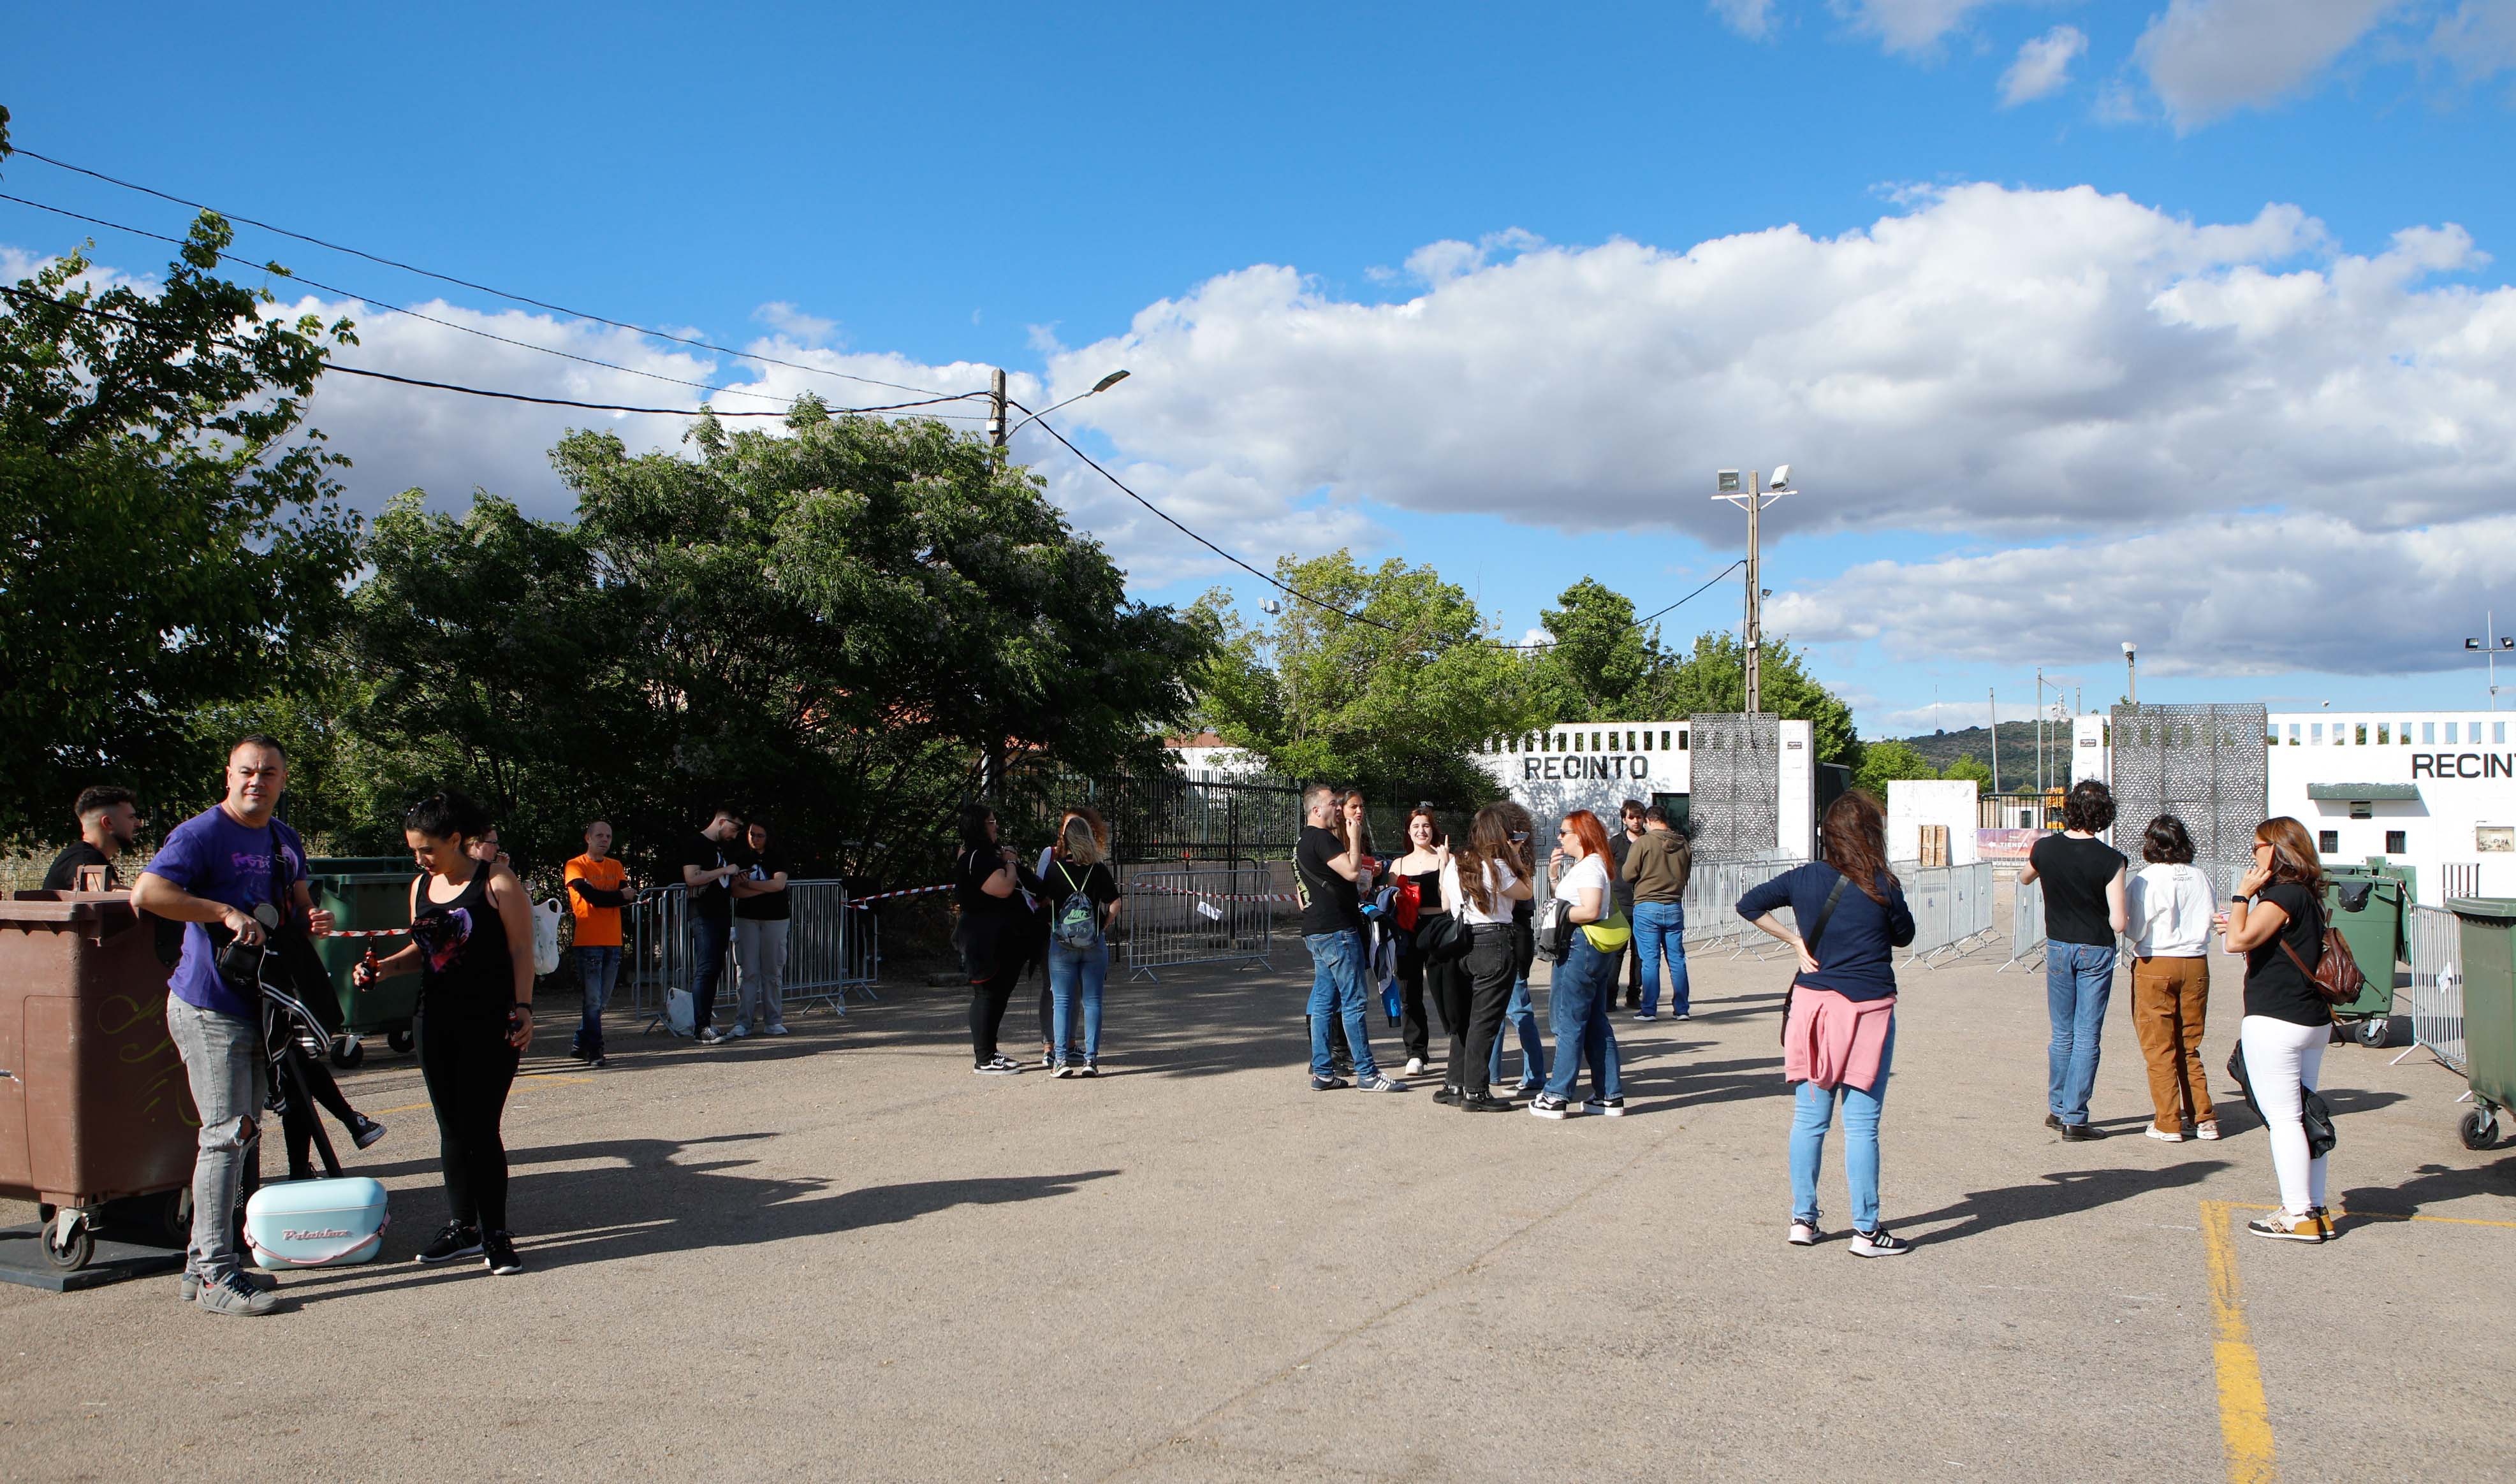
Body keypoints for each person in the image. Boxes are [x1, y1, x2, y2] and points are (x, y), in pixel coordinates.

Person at [132, 735, 338, 1315]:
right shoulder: (201, 834)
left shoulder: (284, 839)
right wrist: (221, 910)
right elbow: (149, 892)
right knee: (224, 1137)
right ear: (229, 775)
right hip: (209, 1005)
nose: (258, 781)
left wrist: (311, 918)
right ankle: (219, 1275)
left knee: (242, 1135)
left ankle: (202, 1267)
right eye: (248, 771)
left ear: (282, 779)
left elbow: (297, 906)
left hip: (262, 1007)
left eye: (269, 772)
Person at [355, 791, 537, 1276]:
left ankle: (496, 1234)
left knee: (482, 1127)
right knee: (452, 1129)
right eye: (414, 849)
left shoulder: (497, 882)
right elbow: (425, 949)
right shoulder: (419, 887)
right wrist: (382, 971)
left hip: (492, 1021)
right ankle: (463, 1228)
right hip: (433, 1020)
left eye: (427, 849)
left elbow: (522, 949)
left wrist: (523, 1008)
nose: (419, 858)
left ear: (456, 840)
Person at [1739, 790, 1919, 1256]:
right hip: (1868, 1009)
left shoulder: (1804, 878)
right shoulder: (1882, 884)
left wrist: (1794, 941)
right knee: (1862, 1125)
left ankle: (1803, 1219)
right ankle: (1866, 1230)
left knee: (1810, 1118)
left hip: (1814, 1007)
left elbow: (1749, 903)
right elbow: (1905, 936)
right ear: (1870, 834)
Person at [2220, 817, 2340, 1242]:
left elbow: (2237, 941)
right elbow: (2249, 937)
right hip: (2311, 1020)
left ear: (2276, 850)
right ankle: (2315, 1206)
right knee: (2307, 1115)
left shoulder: (2281, 895)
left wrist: (2242, 894)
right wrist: (2241, 919)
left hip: (2276, 1019)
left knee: (2285, 1119)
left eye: (2257, 847)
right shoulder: (2305, 894)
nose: (2252, 854)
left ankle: (2297, 1213)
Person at [2020, 779, 2128, 1140]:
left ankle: (2058, 1106)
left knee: (2062, 1031)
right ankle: (2075, 1116)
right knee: (2087, 1034)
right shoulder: (2111, 859)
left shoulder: (2045, 849)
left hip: (2058, 946)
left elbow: (2024, 878)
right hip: (2096, 947)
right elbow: (2119, 922)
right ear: (2104, 814)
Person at [1295, 784, 1405, 1093]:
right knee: (1354, 1001)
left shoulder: (1302, 842)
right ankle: (1367, 1072)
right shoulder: (1322, 838)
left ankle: (1323, 1072)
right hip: (1336, 932)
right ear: (1317, 810)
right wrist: (1354, 838)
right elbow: (1353, 872)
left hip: (1317, 930)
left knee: (1323, 1003)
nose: (1338, 808)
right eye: (1333, 803)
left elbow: (1302, 896)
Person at [2125, 814, 2219, 1143]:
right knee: (2189, 1043)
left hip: (2157, 961)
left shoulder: (2146, 879)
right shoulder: (2200, 876)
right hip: (2195, 962)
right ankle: (2203, 1117)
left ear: (2151, 844)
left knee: (2159, 1046)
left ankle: (2168, 1121)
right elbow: (2210, 918)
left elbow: (2135, 929)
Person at [1530, 809, 1625, 1119]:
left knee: (1567, 1020)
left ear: (1581, 835)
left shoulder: (1591, 866)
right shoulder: (1589, 865)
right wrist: (1555, 880)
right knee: (1595, 1021)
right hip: (1588, 947)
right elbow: (1575, 899)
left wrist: (1556, 913)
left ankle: (1557, 1094)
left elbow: (1591, 909)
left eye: (1564, 832)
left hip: (1580, 946)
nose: (1559, 837)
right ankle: (1608, 1095)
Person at [1443, 803, 1530, 1111]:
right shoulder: (1499, 867)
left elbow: (1446, 903)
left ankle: (1455, 1083)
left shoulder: (1455, 865)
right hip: (1494, 940)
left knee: (1464, 1017)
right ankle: (1476, 1091)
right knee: (1485, 1020)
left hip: (1462, 941)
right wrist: (1516, 855)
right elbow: (1526, 892)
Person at [1042, 808, 1121, 1077]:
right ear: (1089, 837)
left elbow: (1045, 903)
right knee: (1093, 1001)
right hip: (1093, 944)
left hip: (1062, 945)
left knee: (1062, 1001)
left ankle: (1061, 1060)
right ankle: (1091, 1060)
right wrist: (1101, 926)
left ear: (1065, 839)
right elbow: (1115, 903)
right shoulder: (1098, 871)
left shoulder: (1054, 870)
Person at [955, 803, 1034, 1074]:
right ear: (979, 825)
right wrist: (1011, 862)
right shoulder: (977, 857)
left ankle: (990, 1049)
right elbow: (1003, 887)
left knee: (998, 995)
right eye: (991, 821)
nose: (996, 825)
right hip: (984, 938)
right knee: (987, 995)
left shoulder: (982, 854)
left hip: (1000, 936)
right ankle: (984, 1057)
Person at [1389, 807, 1458, 1079]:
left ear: (1434, 830)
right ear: (1409, 831)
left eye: (1426, 826)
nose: (1421, 831)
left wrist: (1444, 866)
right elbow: (1390, 901)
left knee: (1448, 990)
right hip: (1408, 929)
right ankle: (1416, 1053)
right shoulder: (1399, 865)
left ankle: (1459, 1046)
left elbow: (1450, 900)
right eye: (1416, 826)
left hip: (1439, 926)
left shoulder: (1447, 859)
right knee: (1409, 992)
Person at [1488, 803, 1547, 1095]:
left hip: (1516, 934)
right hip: (1503, 935)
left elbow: (1524, 897)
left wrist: (1513, 854)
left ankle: (1535, 1074)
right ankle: (1490, 1073)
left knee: (1518, 1008)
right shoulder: (1496, 859)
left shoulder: (1515, 858)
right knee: (1495, 1010)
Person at [564, 820, 632, 1066]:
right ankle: (595, 1048)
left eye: (609, 836)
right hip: (589, 940)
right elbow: (592, 897)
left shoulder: (616, 866)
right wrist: (616, 897)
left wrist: (614, 897)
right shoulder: (575, 865)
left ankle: (581, 1041)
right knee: (593, 1000)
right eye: (600, 835)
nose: (605, 839)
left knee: (601, 1001)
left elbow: (627, 895)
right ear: (588, 838)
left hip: (612, 940)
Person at [675, 808, 745, 1045]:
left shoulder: (719, 848)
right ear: (722, 821)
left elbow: (719, 879)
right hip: (704, 914)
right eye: (734, 829)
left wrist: (735, 877)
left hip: (721, 913)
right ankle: (701, 1026)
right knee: (706, 968)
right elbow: (692, 878)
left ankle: (706, 1023)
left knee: (714, 968)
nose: (734, 835)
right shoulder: (696, 843)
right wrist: (725, 870)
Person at [1626, 806, 1693, 1021]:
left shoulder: (1643, 843)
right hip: (1673, 905)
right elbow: (1686, 875)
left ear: (1649, 820)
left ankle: (1649, 1010)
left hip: (1647, 905)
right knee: (1677, 959)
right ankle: (1682, 1009)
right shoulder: (1683, 844)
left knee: (1650, 960)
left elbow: (1628, 874)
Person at [731, 820, 792, 1038]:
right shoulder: (740, 857)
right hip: (747, 918)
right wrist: (763, 889)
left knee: (773, 970)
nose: (754, 839)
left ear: (768, 837)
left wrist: (749, 885)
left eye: (759, 835)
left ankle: (774, 1020)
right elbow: (735, 891)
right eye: (751, 834)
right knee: (747, 971)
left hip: (775, 919)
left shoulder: (779, 856)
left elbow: (778, 885)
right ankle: (743, 1022)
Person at [42, 785, 144, 891]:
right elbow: (105, 890)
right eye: (131, 817)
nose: (138, 824)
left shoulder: (90, 856)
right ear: (108, 823)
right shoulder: (82, 858)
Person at [1609, 800, 1647, 1008]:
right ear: (1624, 819)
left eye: (1639, 817)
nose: (1636, 821)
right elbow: (1605, 868)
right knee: (1616, 953)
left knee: (1640, 953)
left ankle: (1634, 996)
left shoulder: (1649, 841)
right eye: (1631, 817)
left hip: (1643, 903)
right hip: (1620, 904)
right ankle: (1609, 996)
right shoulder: (1615, 843)